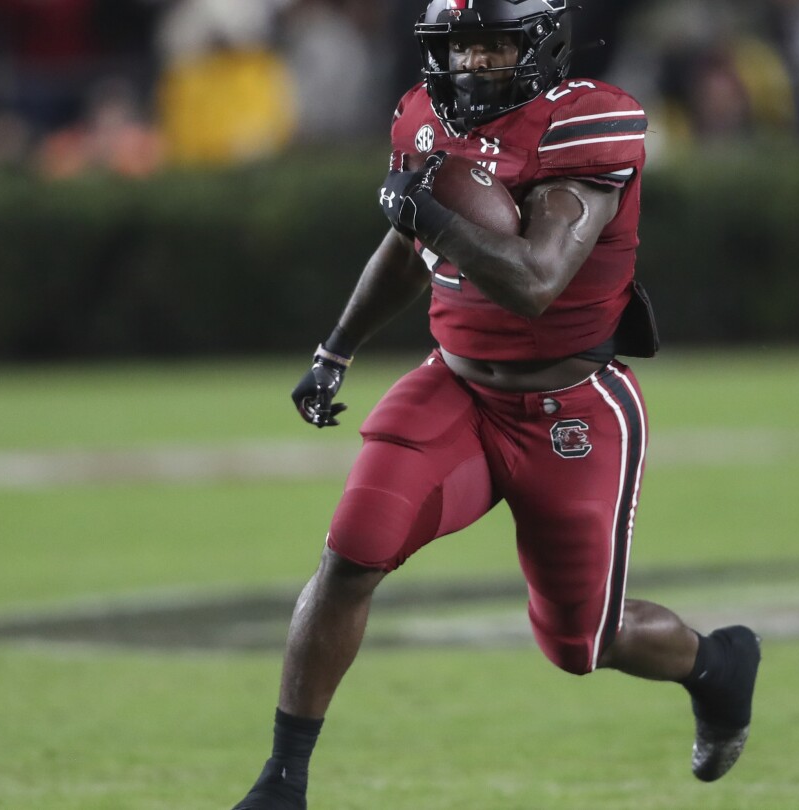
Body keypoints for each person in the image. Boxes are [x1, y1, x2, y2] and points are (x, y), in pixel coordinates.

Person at [230, 2, 762, 807]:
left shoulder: (585, 123)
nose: (474, 63)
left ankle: (715, 665)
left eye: (494, 43)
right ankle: (282, 781)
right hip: (455, 387)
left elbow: (535, 283)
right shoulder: (423, 117)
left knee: (581, 641)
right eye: (461, 45)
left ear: (540, 44)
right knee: (350, 555)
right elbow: (410, 252)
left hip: (572, 405)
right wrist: (336, 347)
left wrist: (432, 210)